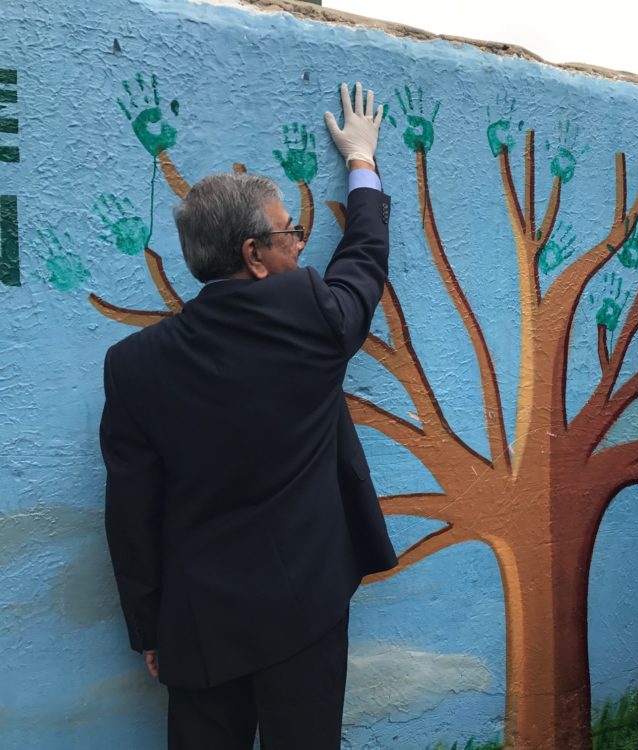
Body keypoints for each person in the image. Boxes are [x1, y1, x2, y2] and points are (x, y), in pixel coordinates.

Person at [101, 82, 397, 750]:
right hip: (307, 608)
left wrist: (149, 629)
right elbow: (363, 262)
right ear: (254, 256)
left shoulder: (133, 364)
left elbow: (131, 512)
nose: (301, 244)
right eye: (290, 232)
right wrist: (362, 162)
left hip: (198, 621)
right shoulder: (312, 315)